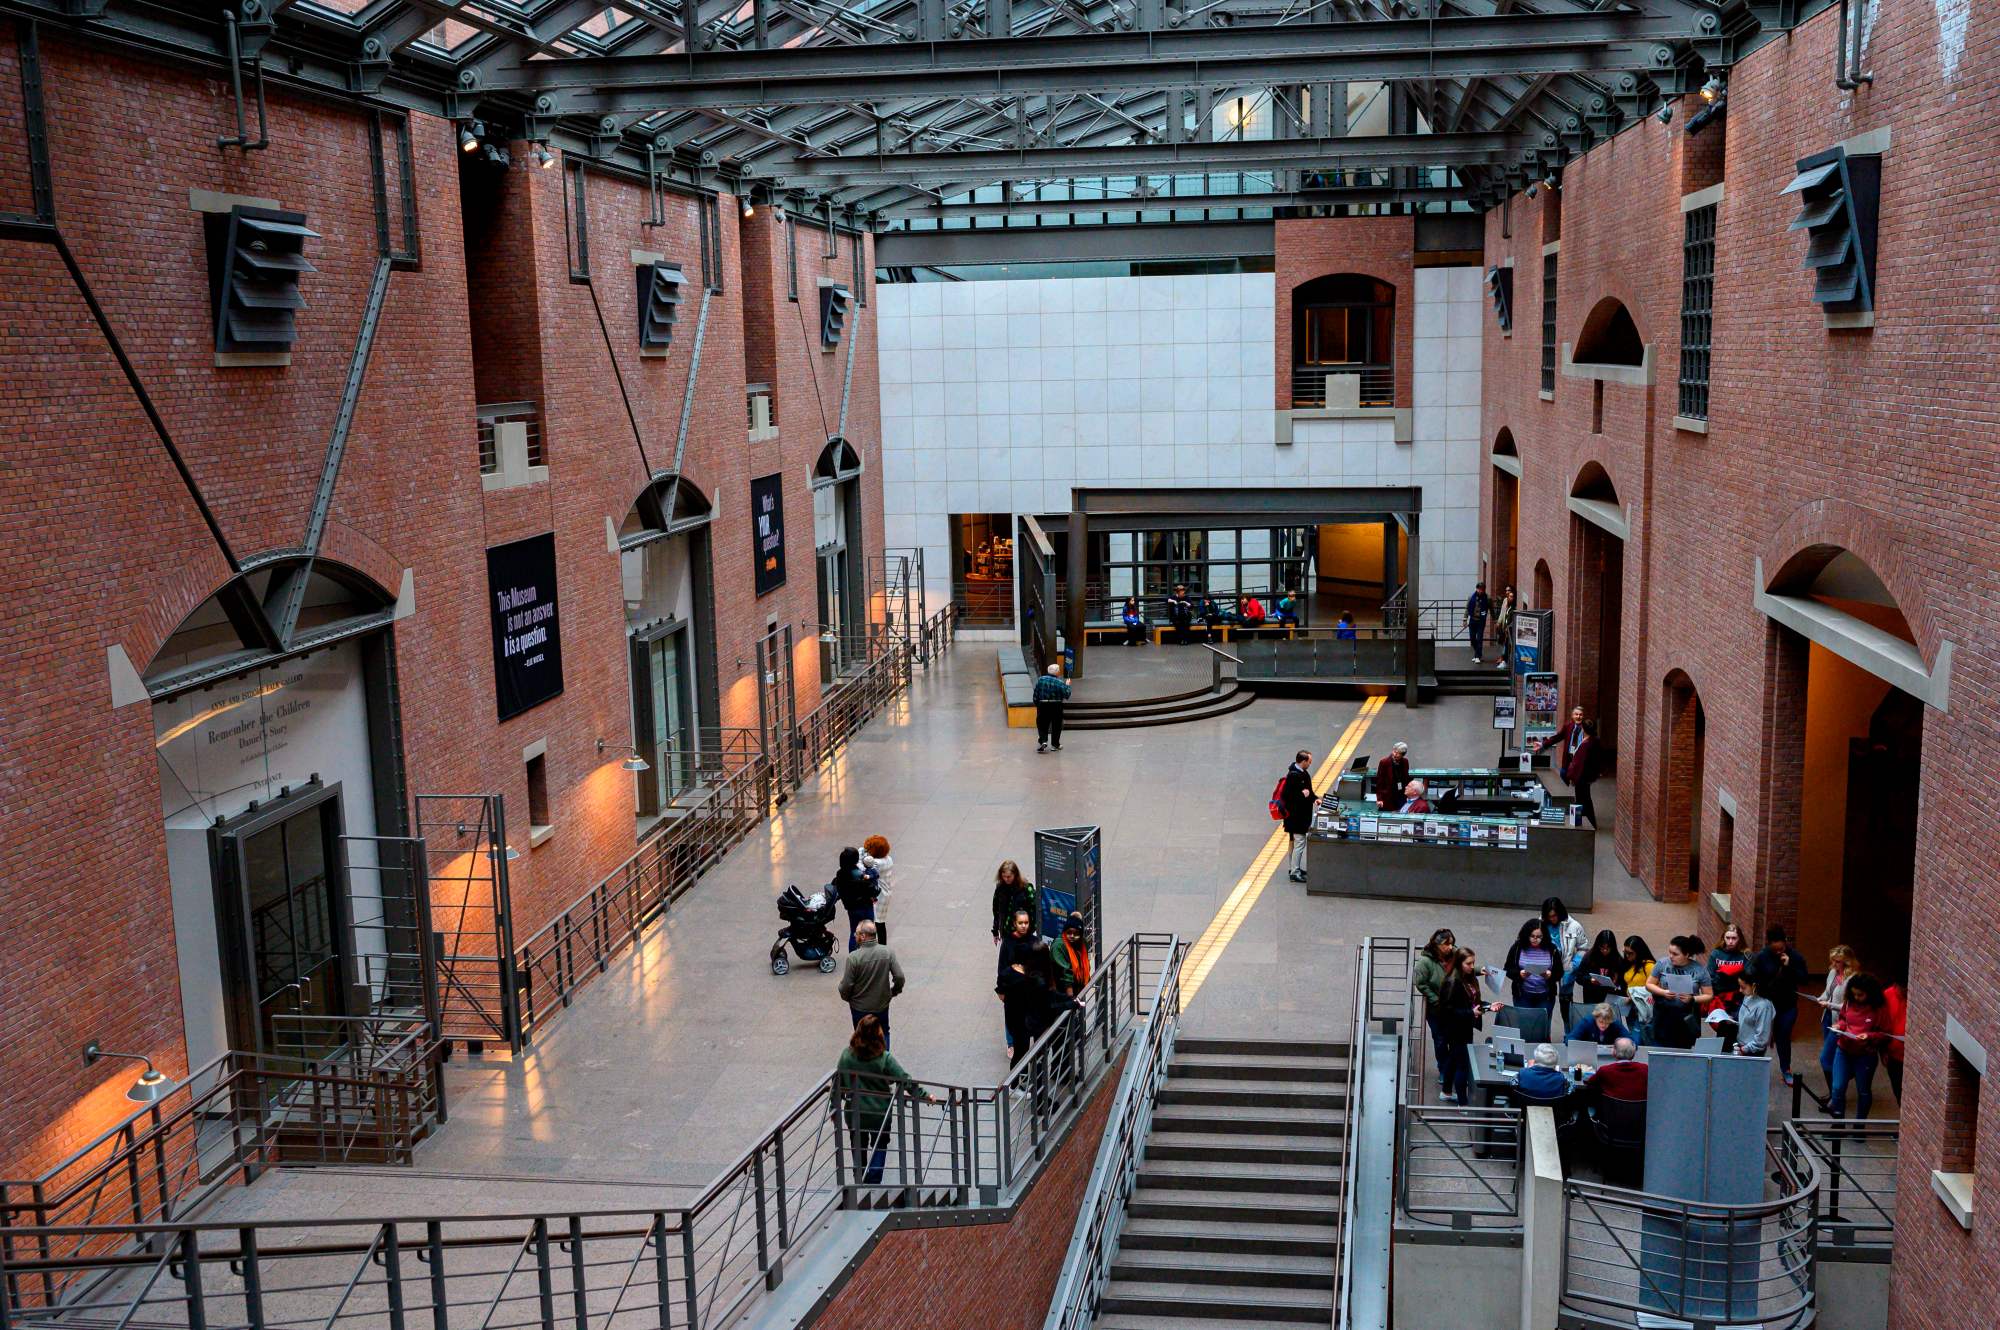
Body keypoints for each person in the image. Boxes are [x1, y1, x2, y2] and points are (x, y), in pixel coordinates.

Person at [837, 1015, 935, 1184]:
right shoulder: (884, 1058)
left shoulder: (847, 1055)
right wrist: (925, 1095)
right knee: (880, 1145)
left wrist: (834, 1105)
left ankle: (859, 1180)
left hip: (855, 1112)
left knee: (857, 1146)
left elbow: (838, 1083)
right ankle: (872, 1182)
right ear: (877, 1035)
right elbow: (904, 1080)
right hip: (879, 1113)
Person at [1438, 947, 1502, 1104]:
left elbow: (1473, 1003)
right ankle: (1462, 1102)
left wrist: (1487, 1007)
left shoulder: (1468, 978)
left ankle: (1446, 1092)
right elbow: (1448, 1011)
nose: (1473, 967)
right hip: (1456, 1030)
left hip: (1464, 1027)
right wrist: (1471, 1013)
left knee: (1453, 1060)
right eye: (1469, 963)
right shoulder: (1452, 983)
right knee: (1462, 1065)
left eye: (1473, 963)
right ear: (1459, 964)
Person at [1751, 926, 1810, 1085]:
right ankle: (1755, 1068)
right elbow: (1752, 976)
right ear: (1769, 944)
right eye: (1775, 949)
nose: (1778, 952)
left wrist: (1789, 967)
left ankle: (1786, 1069)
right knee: (1761, 1036)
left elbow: (1804, 979)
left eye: (1781, 949)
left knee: (1783, 1036)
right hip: (1766, 1004)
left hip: (1787, 1004)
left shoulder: (1795, 957)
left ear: (1785, 943)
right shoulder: (1762, 957)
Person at [1829, 974, 1890, 1120]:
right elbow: (1844, 1019)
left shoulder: (1878, 1008)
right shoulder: (1849, 1003)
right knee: (1837, 1088)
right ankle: (1838, 1124)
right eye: (1854, 994)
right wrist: (1840, 1026)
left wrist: (1869, 1036)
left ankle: (1859, 1125)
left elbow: (1886, 1033)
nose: (1856, 997)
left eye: (1860, 995)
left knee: (1863, 1091)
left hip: (1865, 1055)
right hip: (1843, 1050)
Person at [1533, 706, 1602, 828]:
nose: (1578, 717)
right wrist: (1543, 744)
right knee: (1564, 775)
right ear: (1572, 715)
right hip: (1570, 761)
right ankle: (1574, 800)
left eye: (1581, 714)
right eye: (1576, 714)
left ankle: (1583, 816)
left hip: (1581, 766)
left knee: (1582, 795)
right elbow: (1557, 737)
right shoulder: (1569, 727)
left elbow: (1591, 755)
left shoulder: (1587, 733)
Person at [838, 921, 905, 1045]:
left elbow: (846, 985)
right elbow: (900, 977)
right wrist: (893, 992)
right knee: (883, 1032)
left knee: (861, 1036)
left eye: (857, 933)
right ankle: (883, 1060)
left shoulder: (854, 958)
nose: (855, 936)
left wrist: (847, 997)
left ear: (863, 936)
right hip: (881, 1004)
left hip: (859, 1007)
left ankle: (865, 1062)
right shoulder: (887, 952)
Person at [1646, 936, 1710, 1050]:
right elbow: (1649, 984)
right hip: (1663, 1015)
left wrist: (1693, 999)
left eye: (1675, 954)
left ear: (1686, 954)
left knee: (1683, 1049)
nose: (1671, 956)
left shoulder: (1699, 970)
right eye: (1670, 952)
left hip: (1686, 1017)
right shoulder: (1662, 964)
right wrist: (1663, 992)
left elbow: (1709, 995)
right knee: (1661, 1047)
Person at [996, 908, 1044, 1060]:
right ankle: (1012, 1045)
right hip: (1014, 994)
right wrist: (1002, 991)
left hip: (1031, 996)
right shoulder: (1008, 943)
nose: (1024, 926)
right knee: (1016, 1026)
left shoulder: (1034, 942)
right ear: (1015, 924)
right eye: (1020, 923)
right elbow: (1002, 967)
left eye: (1026, 923)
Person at [1810, 944, 1856, 1093]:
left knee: (1826, 1058)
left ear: (1847, 962)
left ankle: (1836, 1092)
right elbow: (1827, 992)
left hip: (1840, 1021)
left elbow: (1849, 1005)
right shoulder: (1832, 973)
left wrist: (1829, 1005)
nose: (1834, 964)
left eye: (1838, 961)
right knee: (1831, 1055)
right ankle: (1833, 1093)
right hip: (1828, 1018)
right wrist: (1819, 999)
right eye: (1833, 961)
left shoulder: (1852, 979)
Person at [1413, 928, 1457, 1082]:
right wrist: (1434, 998)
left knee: (1455, 1039)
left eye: (1452, 943)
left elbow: (1466, 966)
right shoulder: (1425, 962)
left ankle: (1454, 1068)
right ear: (1437, 945)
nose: (1450, 947)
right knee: (1440, 1040)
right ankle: (1444, 1069)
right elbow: (1420, 983)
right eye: (1446, 944)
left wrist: (1479, 970)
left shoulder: (1455, 955)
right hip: (1436, 1010)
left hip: (1454, 1006)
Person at [1543, 898, 1589, 1021]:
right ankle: (1545, 1034)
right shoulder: (1540, 924)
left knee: (1566, 1004)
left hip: (1566, 970)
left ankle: (1569, 1034)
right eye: (1549, 916)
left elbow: (1583, 948)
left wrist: (1574, 965)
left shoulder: (1574, 926)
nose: (1552, 919)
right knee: (1546, 1003)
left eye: (1554, 916)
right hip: (1546, 971)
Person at [1504, 919, 1564, 1012]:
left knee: (1542, 1024)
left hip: (1545, 995)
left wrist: (1550, 975)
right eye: (1532, 936)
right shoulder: (1518, 947)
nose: (1535, 940)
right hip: (1522, 994)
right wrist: (1519, 974)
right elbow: (1508, 969)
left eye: (1539, 937)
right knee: (1524, 1023)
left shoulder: (1552, 949)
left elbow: (1559, 972)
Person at [1279, 749, 1317, 884]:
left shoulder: (1302, 773)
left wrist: (1315, 798)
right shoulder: (1293, 776)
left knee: (1294, 843)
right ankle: (1295, 872)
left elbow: (1309, 791)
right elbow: (1287, 797)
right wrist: (1303, 795)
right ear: (1303, 761)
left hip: (1297, 817)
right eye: (1309, 761)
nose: (1310, 764)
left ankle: (1293, 868)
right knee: (1299, 843)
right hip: (1296, 818)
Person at [831, 846, 880, 951]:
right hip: (865, 907)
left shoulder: (840, 874)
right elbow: (873, 889)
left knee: (854, 932)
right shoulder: (859, 875)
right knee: (869, 933)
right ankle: (869, 956)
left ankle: (853, 957)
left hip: (851, 908)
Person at [1572, 930, 1625, 1008]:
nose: (1605, 951)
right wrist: (1590, 980)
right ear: (1598, 946)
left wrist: (1617, 982)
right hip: (1591, 997)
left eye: (1608, 948)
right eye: (1602, 948)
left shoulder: (1617, 959)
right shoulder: (1589, 957)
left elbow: (1623, 981)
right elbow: (1579, 977)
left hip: (1609, 999)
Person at [989, 860, 1037, 944]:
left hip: (1023, 932)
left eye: (1009, 876)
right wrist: (995, 930)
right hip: (1006, 931)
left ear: (1015, 874)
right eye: (1004, 876)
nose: (1006, 879)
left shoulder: (1026, 888)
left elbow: (1035, 909)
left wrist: (1031, 929)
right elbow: (996, 911)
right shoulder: (1000, 888)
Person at [1589, 1038, 1648, 1103]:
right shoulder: (1646, 1069)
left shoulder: (1604, 1070)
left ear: (1614, 1052)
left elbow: (1589, 1083)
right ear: (1633, 1054)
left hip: (1610, 1112)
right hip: (1639, 1112)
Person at [1734, 971, 1776, 1060]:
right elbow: (1745, 1018)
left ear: (1754, 986)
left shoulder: (1764, 1006)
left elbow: (1761, 1039)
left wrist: (1744, 1050)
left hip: (1752, 1051)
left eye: (1743, 987)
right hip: (1742, 1044)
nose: (1740, 990)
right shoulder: (1748, 996)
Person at [1881, 970, 1907, 1104]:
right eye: (1902, 988)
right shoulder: (1887, 995)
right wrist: (1883, 1050)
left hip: (1909, 1055)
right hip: (1893, 1054)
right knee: (1898, 1090)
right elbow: (1882, 1022)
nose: (1904, 991)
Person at [1034, 662, 1071, 753]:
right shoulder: (1060, 682)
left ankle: (1043, 740)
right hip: (1056, 705)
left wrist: (1037, 705)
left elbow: (1036, 694)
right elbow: (1067, 695)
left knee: (1042, 723)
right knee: (1056, 725)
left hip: (1043, 704)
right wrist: (1068, 685)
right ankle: (1055, 745)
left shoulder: (1041, 680)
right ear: (1057, 672)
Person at [1051, 915, 1092, 997]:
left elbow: (1084, 962)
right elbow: (1065, 969)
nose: (1072, 936)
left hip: (1078, 986)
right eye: (1069, 932)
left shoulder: (1082, 943)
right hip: (1062, 989)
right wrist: (1069, 990)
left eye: (1076, 933)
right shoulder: (1058, 946)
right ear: (1064, 931)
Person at [1565, 1002, 1631, 1047]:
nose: (1604, 1025)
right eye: (1601, 1022)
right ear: (1595, 1018)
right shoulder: (1587, 1022)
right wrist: (1581, 1046)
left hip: (1610, 1056)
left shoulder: (1614, 1023)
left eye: (1607, 1023)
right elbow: (1569, 1039)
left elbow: (1631, 1041)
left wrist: (1623, 1045)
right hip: (1588, 1055)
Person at [1374, 742, 1411, 807]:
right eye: (1394, 751)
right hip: (1388, 795)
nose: (1394, 754)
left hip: (1401, 794)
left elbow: (1406, 778)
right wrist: (1379, 799)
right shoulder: (1384, 762)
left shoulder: (1405, 761)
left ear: (1403, 755)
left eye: (1398, 753)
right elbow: (1380, 781)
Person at [1464, 581, 1491, 663]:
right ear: (1476, 589)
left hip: (1481, 621)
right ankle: (1477, 653)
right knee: (1472, 639)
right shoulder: (1471, 597)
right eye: (1479, 589)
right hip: (1472, 620)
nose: (1480, 591)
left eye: (1482, 589)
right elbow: (1467, 609)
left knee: (1479, 639)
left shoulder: (1487, 598)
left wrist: (1494, 619)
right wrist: (1465, 619)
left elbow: (1491, 609)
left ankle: (1478, 656)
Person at [1492, 586, 1516, 668]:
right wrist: (1499, 622)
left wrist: (1508, 627)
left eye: (1509, 591)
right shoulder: (1505, 601)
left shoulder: (1513, 607)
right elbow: (1502, 613)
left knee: (1507, 644)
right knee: (1504, 643)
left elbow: (1510, 617)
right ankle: (1503, 658)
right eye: (1506, 591)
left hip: (1509, 629)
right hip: (1504, 627)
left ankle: (1504, 660)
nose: (1507, 592)